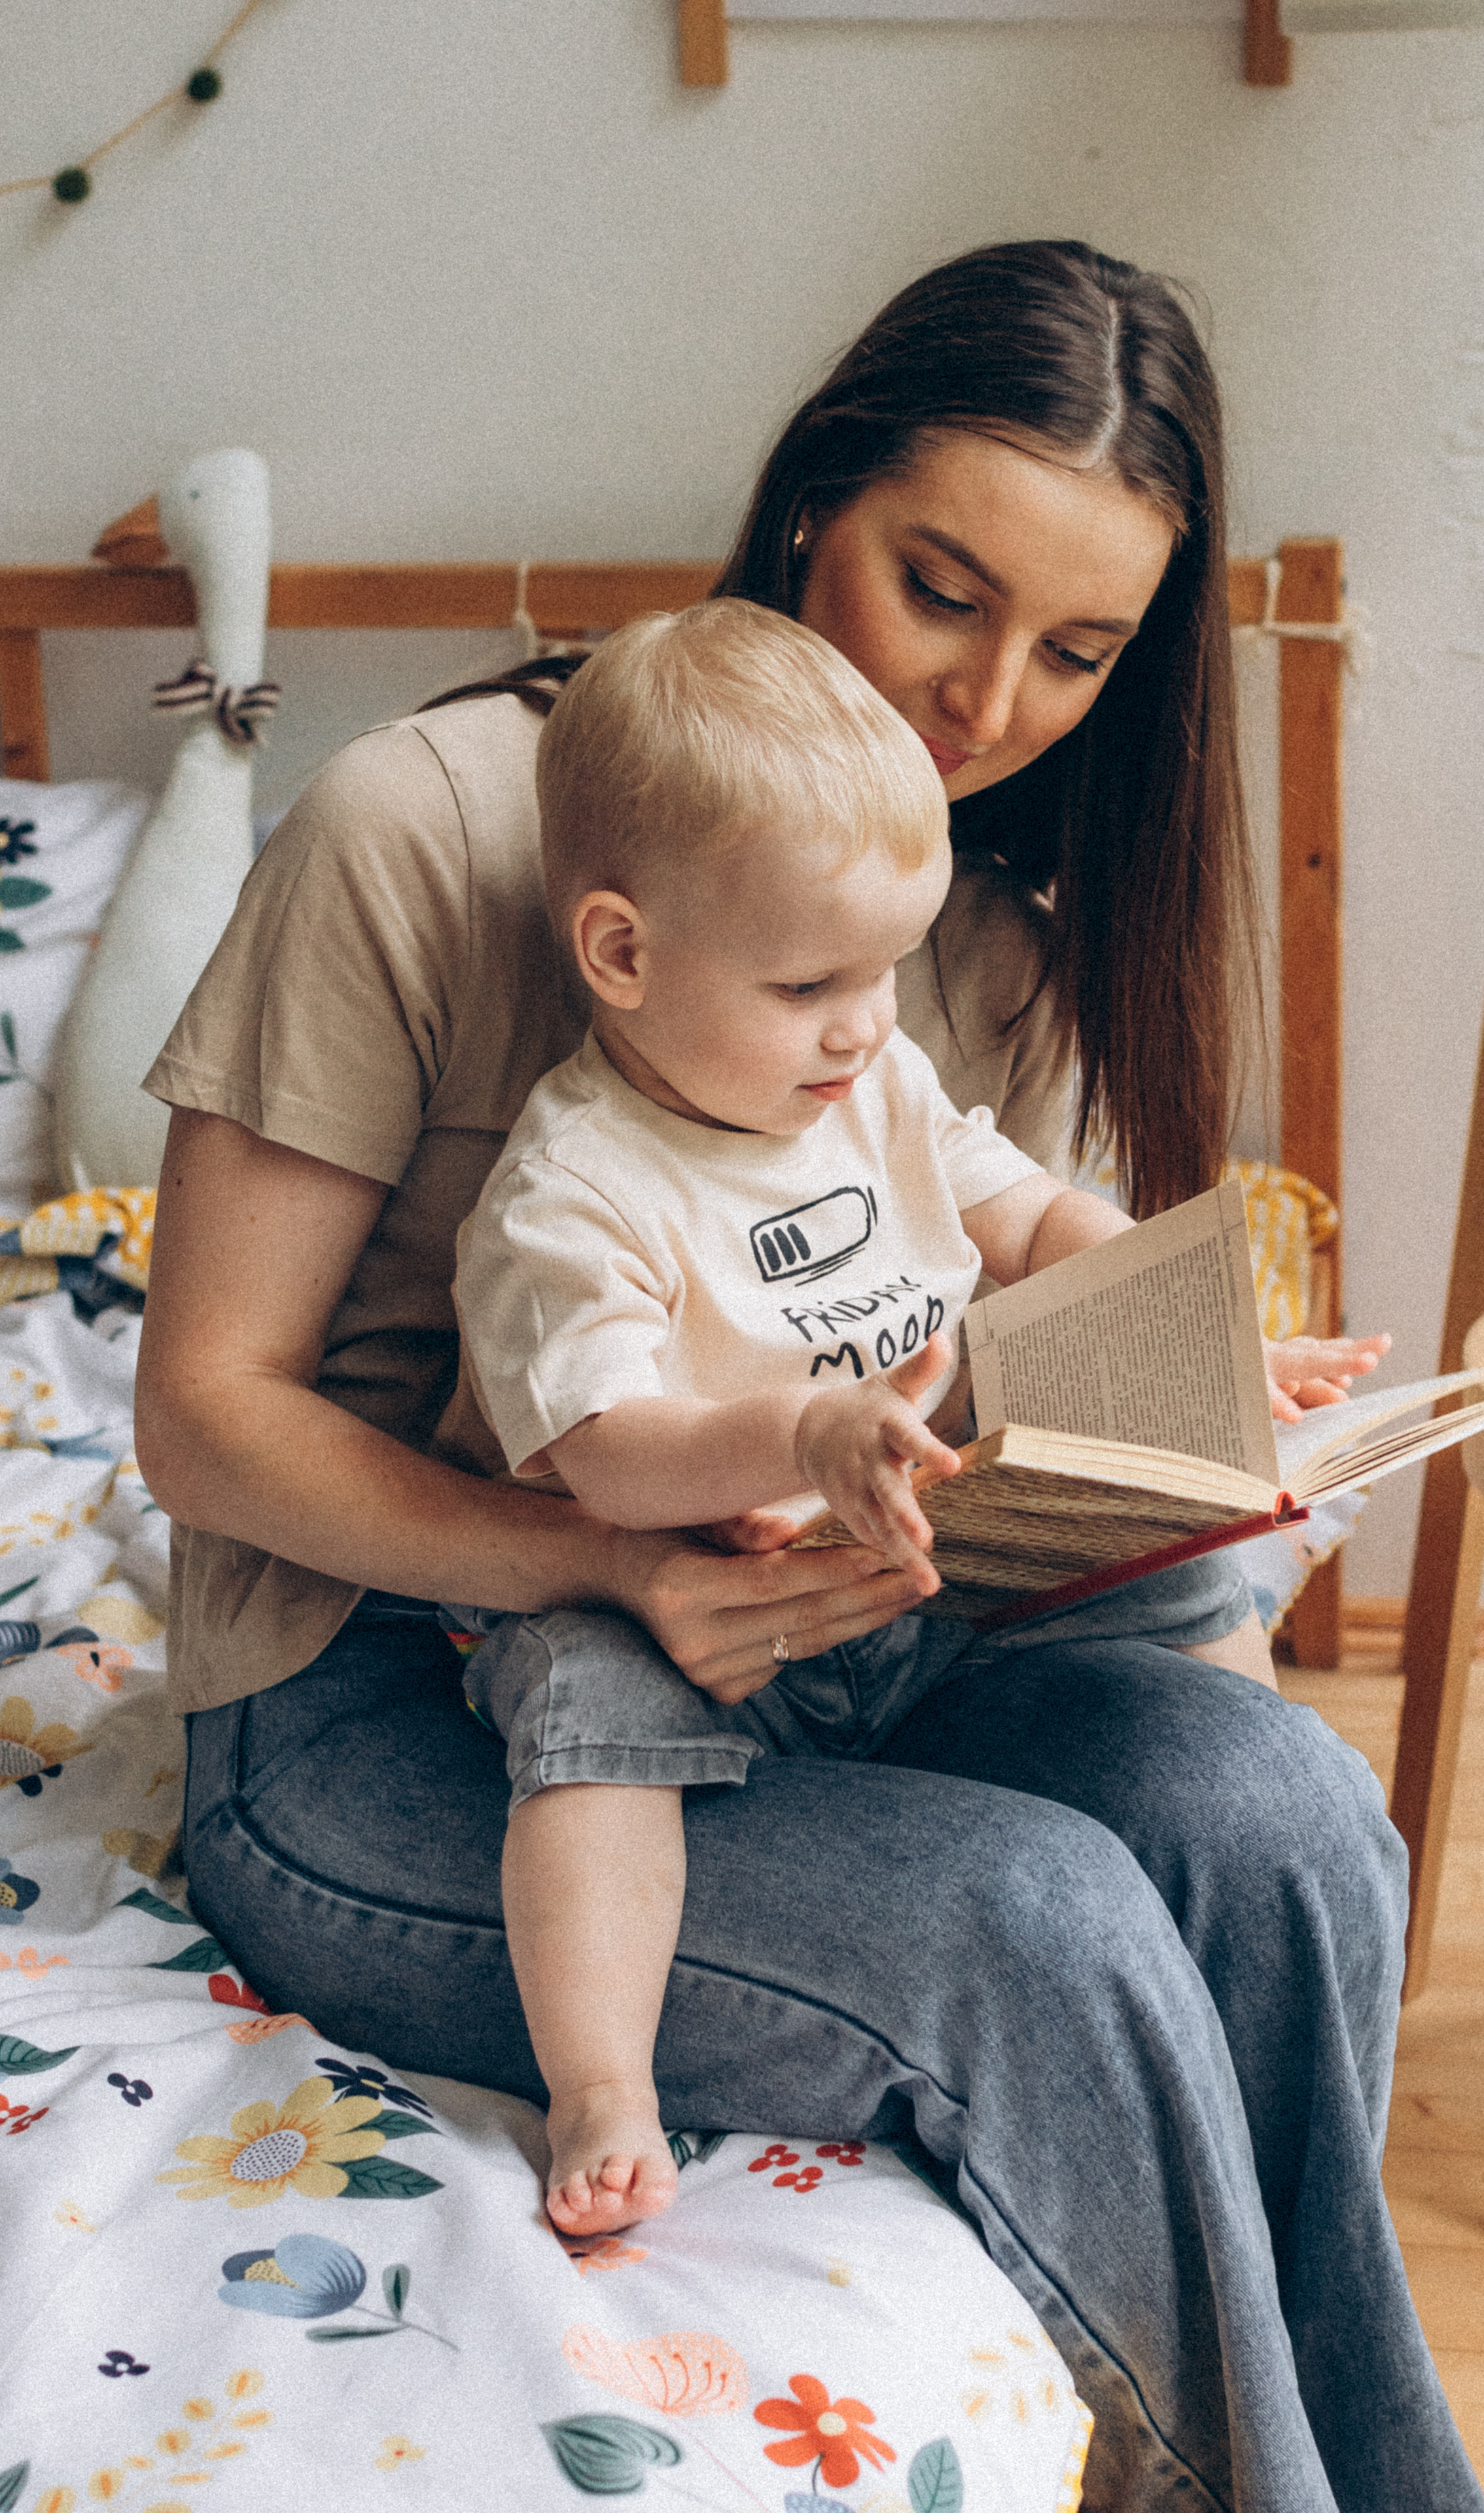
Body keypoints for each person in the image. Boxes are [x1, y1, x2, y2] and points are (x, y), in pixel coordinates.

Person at [136, 240, 1483, 2512]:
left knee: (1279, 1828)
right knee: (1041, 1930)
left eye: (1080, 651)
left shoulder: (962, 930)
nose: (989, 704)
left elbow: (969, 1351)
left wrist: (1191, 1467)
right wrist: (611, 1559)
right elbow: (203, 1411)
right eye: (943, 588)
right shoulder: (430, 828)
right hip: (404, 1699)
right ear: (807, 510)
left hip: (831, 1645)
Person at [448, 597, 1385, 2241]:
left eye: (883, 969)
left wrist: (1184, 1325)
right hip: (696, 1616)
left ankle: (1264, 1793)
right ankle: (601, 2081)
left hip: (913, 1583)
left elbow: (1025, 1215)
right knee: (581, 1734)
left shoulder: (864, 1086)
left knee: (1172, 1565)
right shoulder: (572, 1189)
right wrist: (799, 1435)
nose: (865, 1020)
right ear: (621, 953)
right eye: (810, 980)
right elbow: (600, 1453)